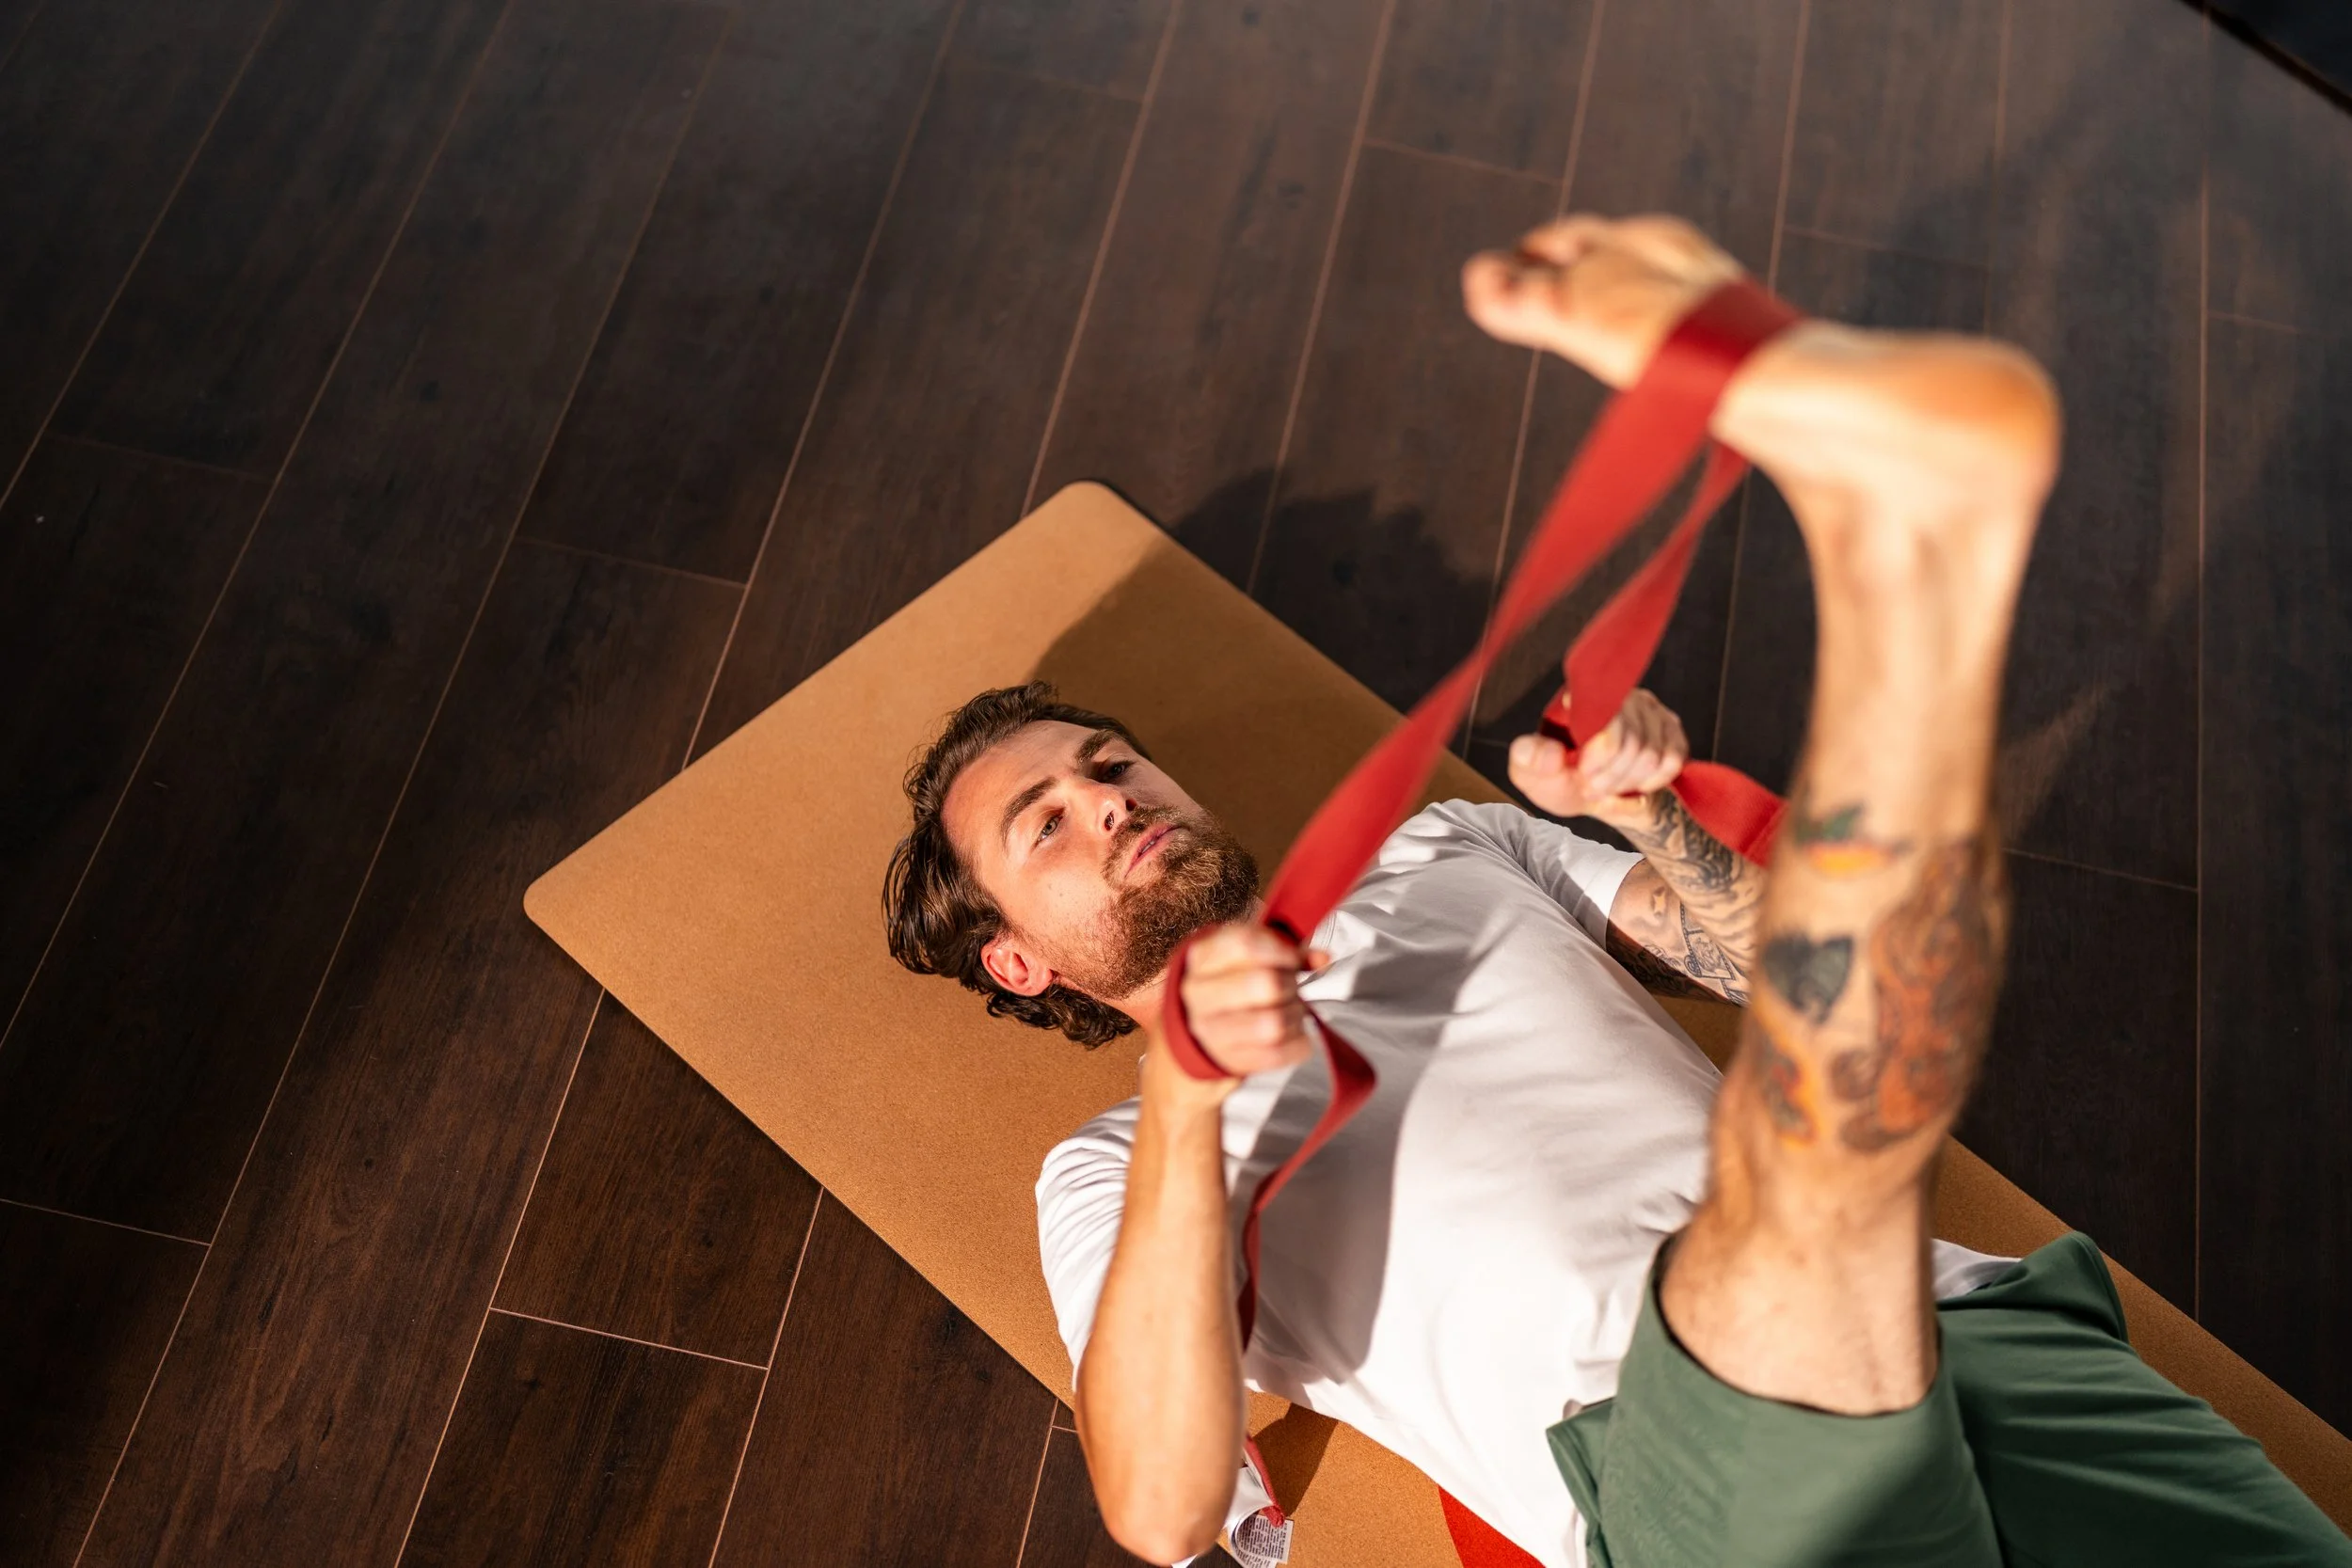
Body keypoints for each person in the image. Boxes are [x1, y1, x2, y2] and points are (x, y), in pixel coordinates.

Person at [885, 216, 2352, 1568]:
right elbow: (1164, 1507)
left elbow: (1773, 964)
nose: (1112, 799)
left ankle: (1906, 536)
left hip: (1969, 1324)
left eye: (1110, 762)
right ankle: (1897, 550)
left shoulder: (1445, 853)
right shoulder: (1114, 1165)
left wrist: (1653, 818)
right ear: (1018, 961)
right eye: (1049, 824)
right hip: (1672, 1456)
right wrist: (1195, 1094)